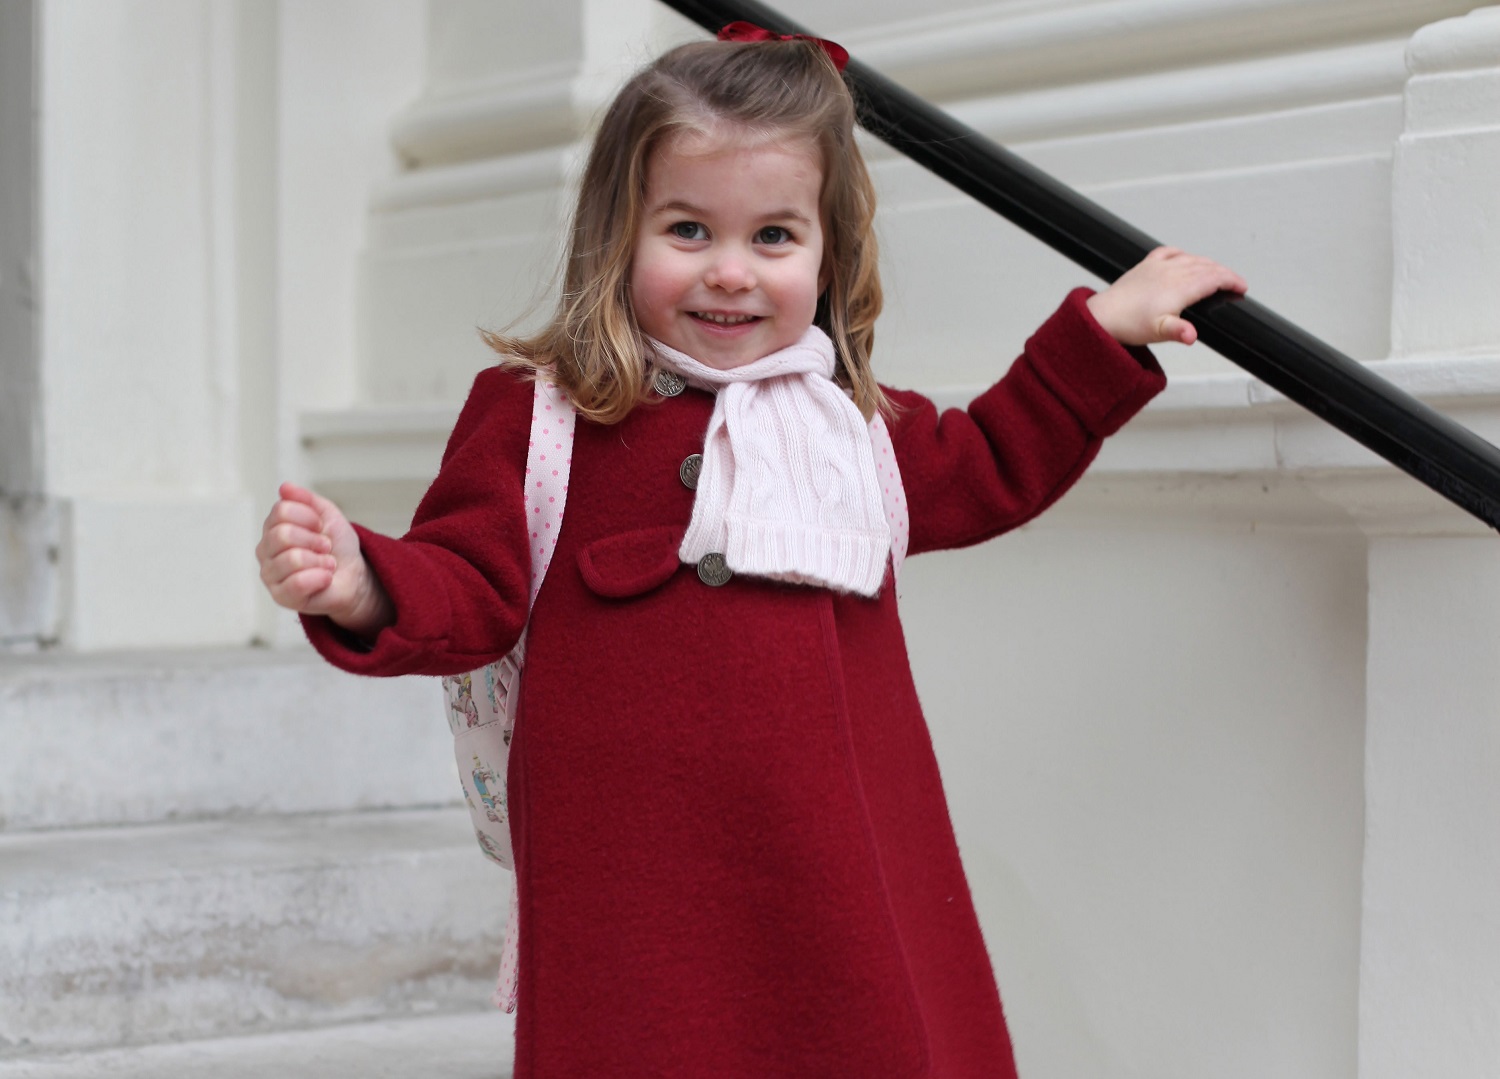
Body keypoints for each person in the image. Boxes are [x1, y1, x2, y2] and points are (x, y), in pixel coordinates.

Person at [256, 26, 1246, 1079]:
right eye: (688, 229)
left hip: (834, 879)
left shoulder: (852, 427)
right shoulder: (542, 417)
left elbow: (995, 458)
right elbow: (468, 582)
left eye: (773, 235)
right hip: (634, 894)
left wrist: (1105, 332)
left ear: (828, 254)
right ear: (617, 233)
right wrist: (363, 581)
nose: (729, 272)